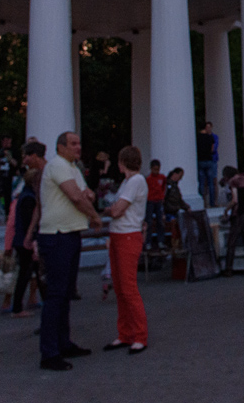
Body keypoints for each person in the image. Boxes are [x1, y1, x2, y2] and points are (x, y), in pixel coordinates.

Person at [24, 131, 102, 371]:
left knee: (65, 293)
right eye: (73, 144)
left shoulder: (73, 168)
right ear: (60, 147)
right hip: (56, 236)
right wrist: (95, 217)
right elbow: (77, 197)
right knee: (56, 296)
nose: (78, 147)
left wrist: (88, 197)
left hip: (71, 233)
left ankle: (63, 343)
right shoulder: (58, 166)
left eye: (79, 143)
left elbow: (88, 193)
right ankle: (49, 353)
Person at [103, 146, 149, 355]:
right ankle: (125, 333)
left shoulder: (136, 181)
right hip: (119, 235)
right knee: (120, 287)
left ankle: (140, 335)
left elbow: (118, 210)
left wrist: (110, 210)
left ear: (122, 162)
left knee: (128, 288)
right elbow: (117, 209)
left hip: (128, 235)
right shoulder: (127, 182)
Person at [10, 142, 46, 318]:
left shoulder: (25, 196)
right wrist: (31, 240)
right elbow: (26, 222)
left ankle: (38, 303)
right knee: (27, 275)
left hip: (23, 240)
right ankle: (17, 307)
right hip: (26, 241)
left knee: (34, 275)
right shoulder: (29, 199)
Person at [0, 136, 19, 219]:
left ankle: (8, 214)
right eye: (5, 141)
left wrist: (8, 156)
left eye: (9, 142)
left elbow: (16, 164)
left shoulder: (14, 151)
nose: (7, 143)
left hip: (8, 176)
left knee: (7, 196)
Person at [143, 159, 166, 251]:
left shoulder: (162, 177)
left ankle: (161, 241)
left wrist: (162, 196)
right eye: (154, 169)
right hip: (150, 201)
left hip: (159, 201)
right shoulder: (148, 179)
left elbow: (163, 187)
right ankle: (148, 241)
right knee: (149, 221)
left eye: (158, 169)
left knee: (160, 221)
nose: (156, 171)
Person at [196, 121, 219, 208]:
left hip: (200, 160)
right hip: (209, 161)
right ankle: (212, 203)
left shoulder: (197, 137)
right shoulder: (210, 137)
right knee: (211, 183)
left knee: (201, 182)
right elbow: (212, 149)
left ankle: (202, 203)